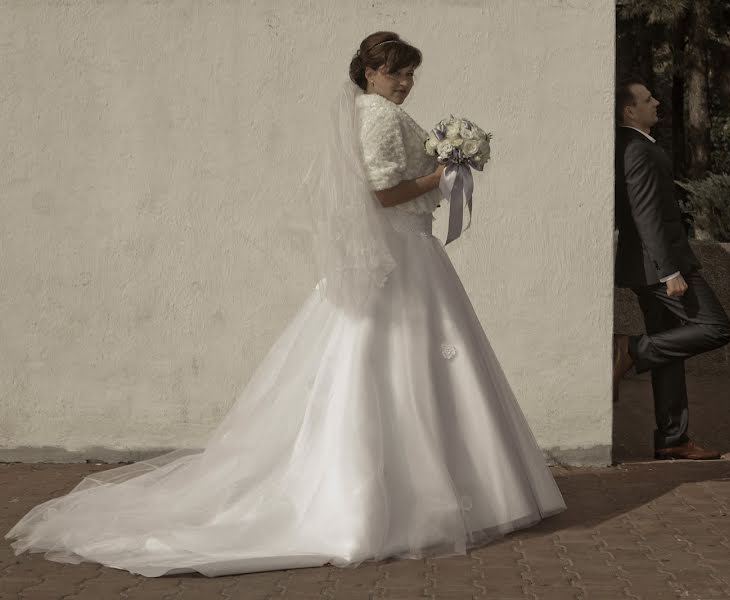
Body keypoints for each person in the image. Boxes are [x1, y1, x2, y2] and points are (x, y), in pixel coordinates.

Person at [5, 32, 565, 577]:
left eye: (410, 72)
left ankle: (404, 492)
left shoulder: (367, 113)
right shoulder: (378, 115)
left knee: (380, 366)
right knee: (397, 367)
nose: (406, 82)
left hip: (404, 252)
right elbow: (378, 193)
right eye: (396, 71)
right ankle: (413, 498)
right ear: (369, 73)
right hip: (401, 257)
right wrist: (437, 179)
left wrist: (437, 176)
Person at [613, 77, 730, 461]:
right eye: (648, 100)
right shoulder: (637, 150)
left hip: (650, 267)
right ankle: (629, 349)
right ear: (630, 111)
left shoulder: (634, 147)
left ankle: (672, 438)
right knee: (716, 328)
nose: (658, 103)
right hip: (661, 269)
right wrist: (669, 271)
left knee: (670, 350)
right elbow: (646, 214)